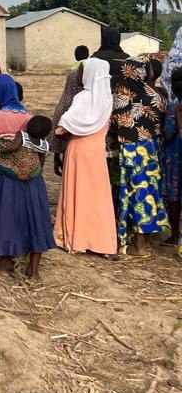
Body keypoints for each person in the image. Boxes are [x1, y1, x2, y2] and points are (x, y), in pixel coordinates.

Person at [0, 75, 55, 278]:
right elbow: (40, 152)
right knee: (35, 216)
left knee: (7, 216)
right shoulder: (30, 118)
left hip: (5, 179)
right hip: (34, 178)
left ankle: (3, 263)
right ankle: (33, 270)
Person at [53, 57, 117, 255]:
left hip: (78, 149)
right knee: (97, 194)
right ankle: (101, 241)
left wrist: (63, 132)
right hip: (97, 151)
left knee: (76, 192)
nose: (79, 75)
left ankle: (75, 238)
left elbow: (66, 122)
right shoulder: (107, 98)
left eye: (82, 71)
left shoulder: (83, 97)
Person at [113, 56, 168, 256]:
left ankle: (139, 246)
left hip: (131, 150)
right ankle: (145, 240)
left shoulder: (121, 95)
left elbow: (113, 123)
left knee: (133, 195)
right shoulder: (157, 95)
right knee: (148, 195)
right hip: (152, 150)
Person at [162, 67, 182, 250]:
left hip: (174, 156)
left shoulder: (172, 106)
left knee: (175, 197)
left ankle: (175, 235)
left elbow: (169, 134)